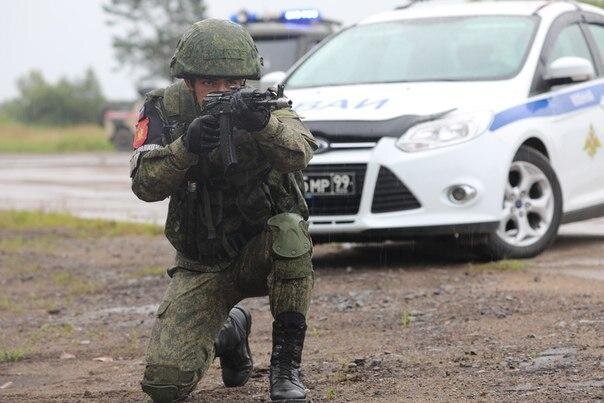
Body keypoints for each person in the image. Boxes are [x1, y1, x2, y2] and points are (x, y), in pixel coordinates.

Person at [129, 18, 317, 403]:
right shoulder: (165, 110)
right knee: (164, 386)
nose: (222, 91)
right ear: (189, 81)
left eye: (232, 83)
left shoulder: (263, 106)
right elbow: (145, 186)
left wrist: (264, 125)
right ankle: (231, 331)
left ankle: (285, 368)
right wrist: (186, 147)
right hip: (201, 262)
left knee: (290, 231)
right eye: (210, 83)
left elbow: (301, 153)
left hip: (261, 251)